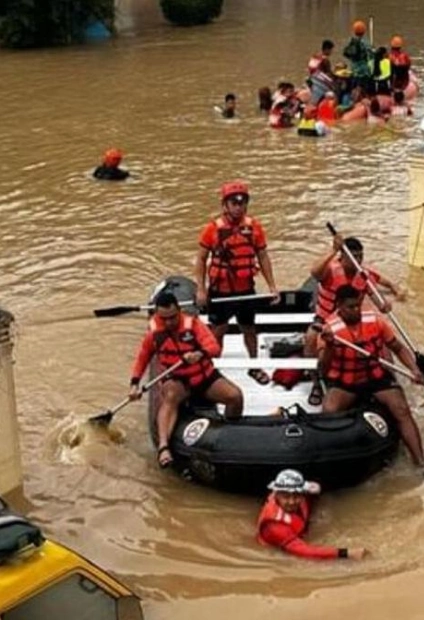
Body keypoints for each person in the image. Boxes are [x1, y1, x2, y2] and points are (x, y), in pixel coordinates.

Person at [317, 285, 424, 478]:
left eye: (357, 306)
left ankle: (421, 463)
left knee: (402, 409)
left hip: (375, 377)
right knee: (329, 411)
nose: (356, 311)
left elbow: (398, 348)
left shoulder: (376, 322)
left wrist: (414, 369)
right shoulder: (329, 329)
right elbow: (324, 367)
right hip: (346, 382)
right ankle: (330, 463)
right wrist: (329, 344)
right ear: (339, 306)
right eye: (350, 307)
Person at [128, 291, 243, 468]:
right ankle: (163, 447)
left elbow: (213, 347)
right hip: (177, 380)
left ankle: (230, 433)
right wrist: (134, 384)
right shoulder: (154, 333)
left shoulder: (193, 325)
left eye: (172, 318)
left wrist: (199, 353)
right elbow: (142, 358)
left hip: (203, 377)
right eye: (163, 318)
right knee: (170, 397)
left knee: (235, 396)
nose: (168, 323)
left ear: (179, 311)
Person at [195, 181, 280, 385]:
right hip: (221, 290)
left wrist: (272, 286)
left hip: (245, 290)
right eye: (234, 202)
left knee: (249, 329)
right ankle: (213, 370)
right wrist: (201, 289)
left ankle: (254, 366)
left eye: (242, 202)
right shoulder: (212, 229)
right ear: (225, 205)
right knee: (218, 332)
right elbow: (200, 259)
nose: (238, 206)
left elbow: (263, 257)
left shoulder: (254, 227)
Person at [304, 235, 405, 406]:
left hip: (352, 319)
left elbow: (376, 289)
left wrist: (384, 303)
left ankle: (389, 378)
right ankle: (316, 382)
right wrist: (334, 249)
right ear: (342, 257)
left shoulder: (363, 274)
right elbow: (314, 272)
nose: (358, 260)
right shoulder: (329, 271)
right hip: (326, 319)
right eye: (353, 257)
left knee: (382, 340)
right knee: (310, 338)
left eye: (360, 256)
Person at [257, 469, 367, 560]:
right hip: (283, 548)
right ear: (277, 495)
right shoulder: (274, 526)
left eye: (296, 496)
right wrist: (346, 553)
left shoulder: (305, 495)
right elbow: (305, 552)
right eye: (286, 497)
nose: (291, 502)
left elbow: (314, 489)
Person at [342, 20, 374, 93]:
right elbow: (371, 55)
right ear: (364, 31)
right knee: (363, 89)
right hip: (363, 71)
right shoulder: (365, 42)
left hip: (354, 69)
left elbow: (346, 53)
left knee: (354, 88)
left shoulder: (351, 41)